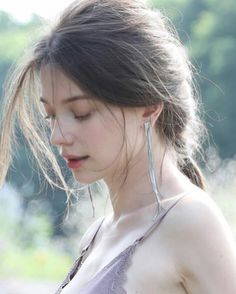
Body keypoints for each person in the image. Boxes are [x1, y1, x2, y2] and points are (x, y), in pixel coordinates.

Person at [0, 0, 236, 293]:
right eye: (51, 116)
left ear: (149, 106)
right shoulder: (96, 235)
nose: (57, 137)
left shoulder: (192, 222)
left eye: (82, 113)